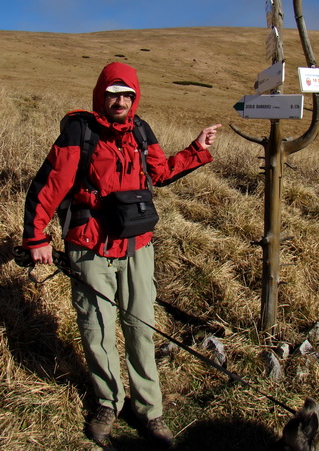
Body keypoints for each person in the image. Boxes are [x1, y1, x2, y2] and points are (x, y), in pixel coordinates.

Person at [22, 62, 221, 446]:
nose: (120, 101)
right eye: (113, 93)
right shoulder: (79, 133)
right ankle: (108, 403)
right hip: (89, 246)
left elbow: (160, 173)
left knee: (141, 329)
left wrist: (197, 149)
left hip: (138, 247)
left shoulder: (142, 131)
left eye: (127, 94)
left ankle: (150, 410)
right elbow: (48, 186)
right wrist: (36, 239)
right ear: (101, 95)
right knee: (96, 330)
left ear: (135, 97)